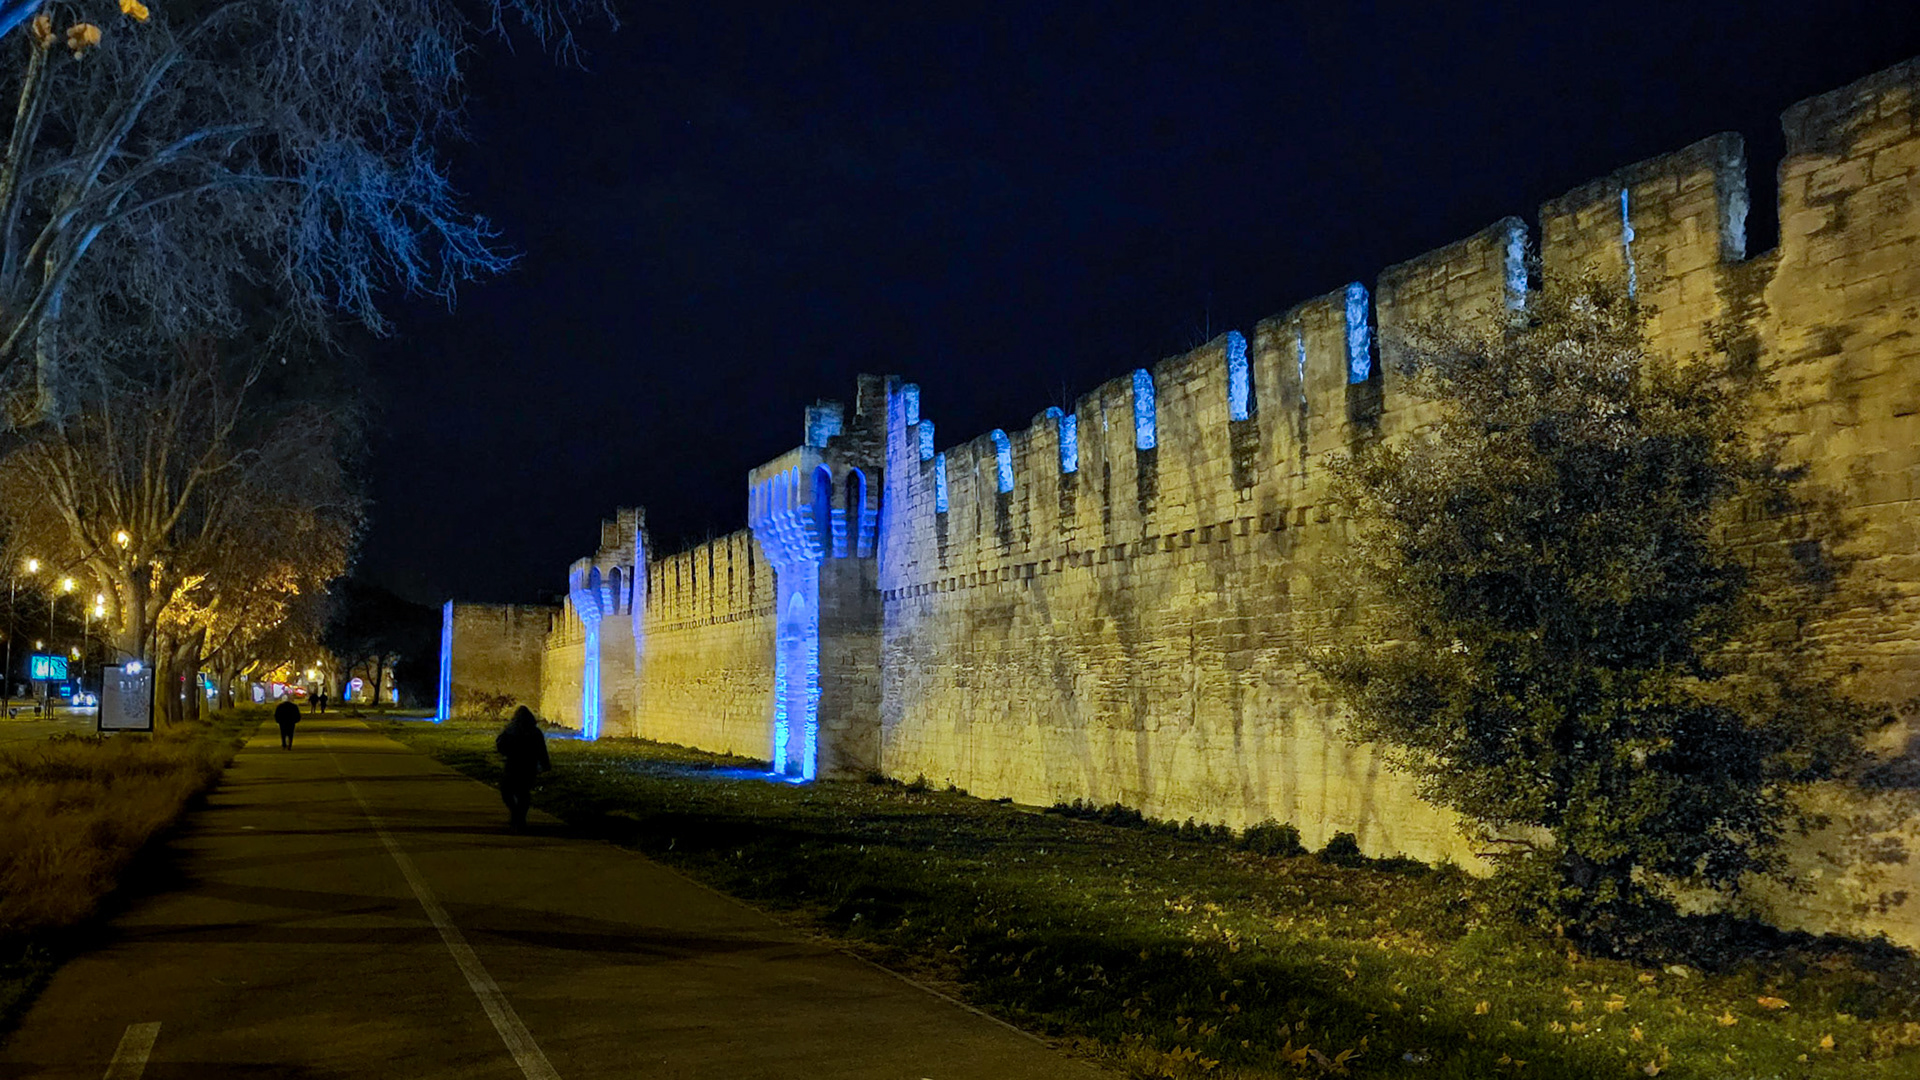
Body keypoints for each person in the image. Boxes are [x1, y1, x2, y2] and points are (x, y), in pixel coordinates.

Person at [495, 706, 550, 827]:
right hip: (528, 767)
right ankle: (519, 816)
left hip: (514, 766)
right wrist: (545, 764)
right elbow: (542, 750)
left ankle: (517, 814)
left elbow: (501, 745)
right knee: (522, 793)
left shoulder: (512, 730)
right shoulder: (534, 732)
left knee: (508, 791)